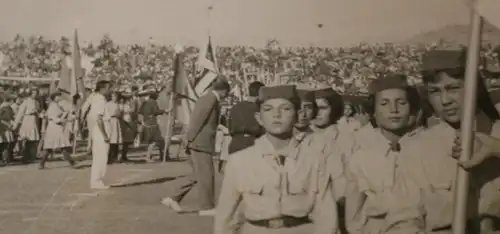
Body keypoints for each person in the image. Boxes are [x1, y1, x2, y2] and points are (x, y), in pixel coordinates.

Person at [214, 85, 338, 234]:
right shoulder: (240, 161)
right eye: (268, 109)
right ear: (259, 118)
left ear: (297, 115)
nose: (276, 115)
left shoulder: (314, 159)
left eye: (285, 109)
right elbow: (224, 216)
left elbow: (326, 214)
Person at [403, 49, 500, 233]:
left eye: (453, 88)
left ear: (475, 88)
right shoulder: (416, 148)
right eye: (435, 91)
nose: (445, 100)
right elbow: (404, 218)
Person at [345, 74, 427, 234]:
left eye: (401, 103)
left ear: (412, 109)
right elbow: (353, 220)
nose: (393, 110)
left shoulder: (427, 150)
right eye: (384, 103)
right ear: (373, 112)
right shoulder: (361, 159)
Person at [162, 78, 230, 216]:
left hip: (199, 140)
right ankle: (206, 207)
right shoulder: (210, 99)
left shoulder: (210, 99)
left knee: (197, 174)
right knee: (206, 175)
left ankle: (173, 198)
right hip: (200, 141)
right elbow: (197, 119)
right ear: (224, 90)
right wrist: (189, 138)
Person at [39, 91, 76, 169]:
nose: (59, 97)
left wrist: (64, 115)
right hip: (54, 127)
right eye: (58, 96)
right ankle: (72, 162)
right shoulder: (53, 106)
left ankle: (41, 164)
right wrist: (62, 120)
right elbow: (53, 117)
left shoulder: (56, 105)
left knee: (52, 146)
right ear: (55, 98)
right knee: (61, 145)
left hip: (55, 127)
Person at [89, 80, 111, 190]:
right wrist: (105, 135)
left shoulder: (97, 98)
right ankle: (97, 181)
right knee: (101, 156)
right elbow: (99, 119)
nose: (109, 90)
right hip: (101, 129)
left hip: (99, 129)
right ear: (102, 89)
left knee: (99, 156)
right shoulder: (100, 100)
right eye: (108, 88)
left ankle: (96, 180)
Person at [13, 87, 42, 164]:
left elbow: (38, 112)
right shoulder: (25, 102)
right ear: (30, 94)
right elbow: (20, 113)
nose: (34, 95)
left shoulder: (37, 102)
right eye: (33, 93)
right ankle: (25, 157)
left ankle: (30, 157)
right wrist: (16, 124)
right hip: (27, 120)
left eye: (36, 93)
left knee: (33, 140)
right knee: (26, 139)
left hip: (34, 121)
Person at [0, 95, 15, 165]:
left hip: (8, 127)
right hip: (3, 128)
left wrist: (12, 123)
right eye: (12, 101)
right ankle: (2, 159)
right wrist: (7, 124)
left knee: (7, 143)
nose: (12, 102)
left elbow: (12, 117)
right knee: (2, 143)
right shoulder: (2, 108)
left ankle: (5, 159)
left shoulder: (10, 108)